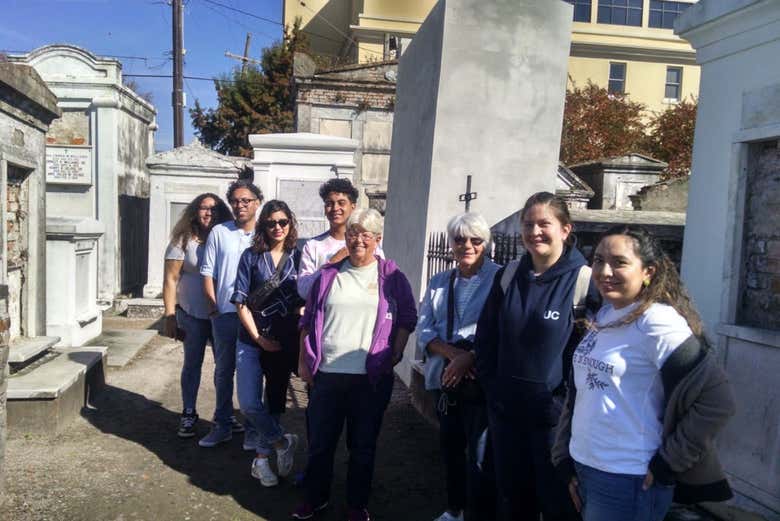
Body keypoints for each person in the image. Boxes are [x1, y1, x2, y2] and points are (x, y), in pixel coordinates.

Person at [551, 225, 736, 521]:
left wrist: (668, 462)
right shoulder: (605, 314)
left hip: (628, 477)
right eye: (598, 260)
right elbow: (581, 393)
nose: (604, 271)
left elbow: (718, 400)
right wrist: (563, 455)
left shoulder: (657, 322)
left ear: (648, 271)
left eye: (619, 262)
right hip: (586, 467)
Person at [475, 191, 598, 521]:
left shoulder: (585, 281)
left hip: (555, 423)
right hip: (506, 414)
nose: (535, 232)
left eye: (545, 224)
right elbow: (486, 339)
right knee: (514, 503)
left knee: (558, 504)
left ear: (565, 229)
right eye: (528, 225)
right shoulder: (508, 276)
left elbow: (595, 353)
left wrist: (560, 404)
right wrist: (493, 390)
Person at [292, 208, 417, 521]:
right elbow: (307, 320)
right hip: (327, 375)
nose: (357, 240)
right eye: (352, 233)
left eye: (365, 234)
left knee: (362, 447)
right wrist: (303, 363)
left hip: (370, 379)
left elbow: (407, 318)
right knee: (320, 444)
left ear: (377, 239)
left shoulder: (391, 276)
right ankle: (315, 498)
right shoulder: (327, 275)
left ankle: (356, 505)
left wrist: (396, 354)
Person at [417, 212, 500, 521]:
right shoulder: (439, 282)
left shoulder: (501, 279)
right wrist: (454, 355)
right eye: (460, 239)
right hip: (447, 381)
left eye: (475, 240)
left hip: (481, 381)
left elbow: (503, 330)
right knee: (451, 449)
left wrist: (472, 356)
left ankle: (479, 513)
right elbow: (424, 329)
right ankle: (455, 509)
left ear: (486, 244)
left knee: (481, 454)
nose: (467, 245)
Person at [232, 200, 302, 486]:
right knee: (249, 403)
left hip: (284, 339)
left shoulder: (300, 256)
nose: (277, 227)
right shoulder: (250, 256)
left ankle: (261, 460)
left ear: (290, 224)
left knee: (273, 401)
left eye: (283, 222)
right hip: (251, 338)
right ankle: (282, 442)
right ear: (263, 225)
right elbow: (240, 302)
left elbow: (308, 295)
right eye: (271, 222)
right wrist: (259, 338)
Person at [199, 179, 263, 448]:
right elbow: (208, 272)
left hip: (254, 315)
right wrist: (213, 306)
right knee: (223, 371)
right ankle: (222, 424)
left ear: (257, 203)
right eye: (235, 201)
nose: (240, 205)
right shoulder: (219, 232)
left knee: (253, 372)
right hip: (225, 314)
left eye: (246, 200)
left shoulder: (265, 232)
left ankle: (252, 428)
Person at [162, 193, 232, 438]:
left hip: (221, 312)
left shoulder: (225, 236)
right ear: (195, 211)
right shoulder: (182, 241)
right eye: (203, 209)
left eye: (213, 209)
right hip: (191, 313)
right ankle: (189, 411)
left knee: (224, 367)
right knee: (192, 364)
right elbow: (171, 280)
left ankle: (224, 414)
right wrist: (170, 315)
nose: (208, 214)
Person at [297, 178, 383, 300]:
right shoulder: (313, 246)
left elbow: (382, 283)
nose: (335, 208)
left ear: (353, 206)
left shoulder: (368, 243)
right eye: (329, 203)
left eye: (341, 203)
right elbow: (304, 290)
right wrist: (331, 263)